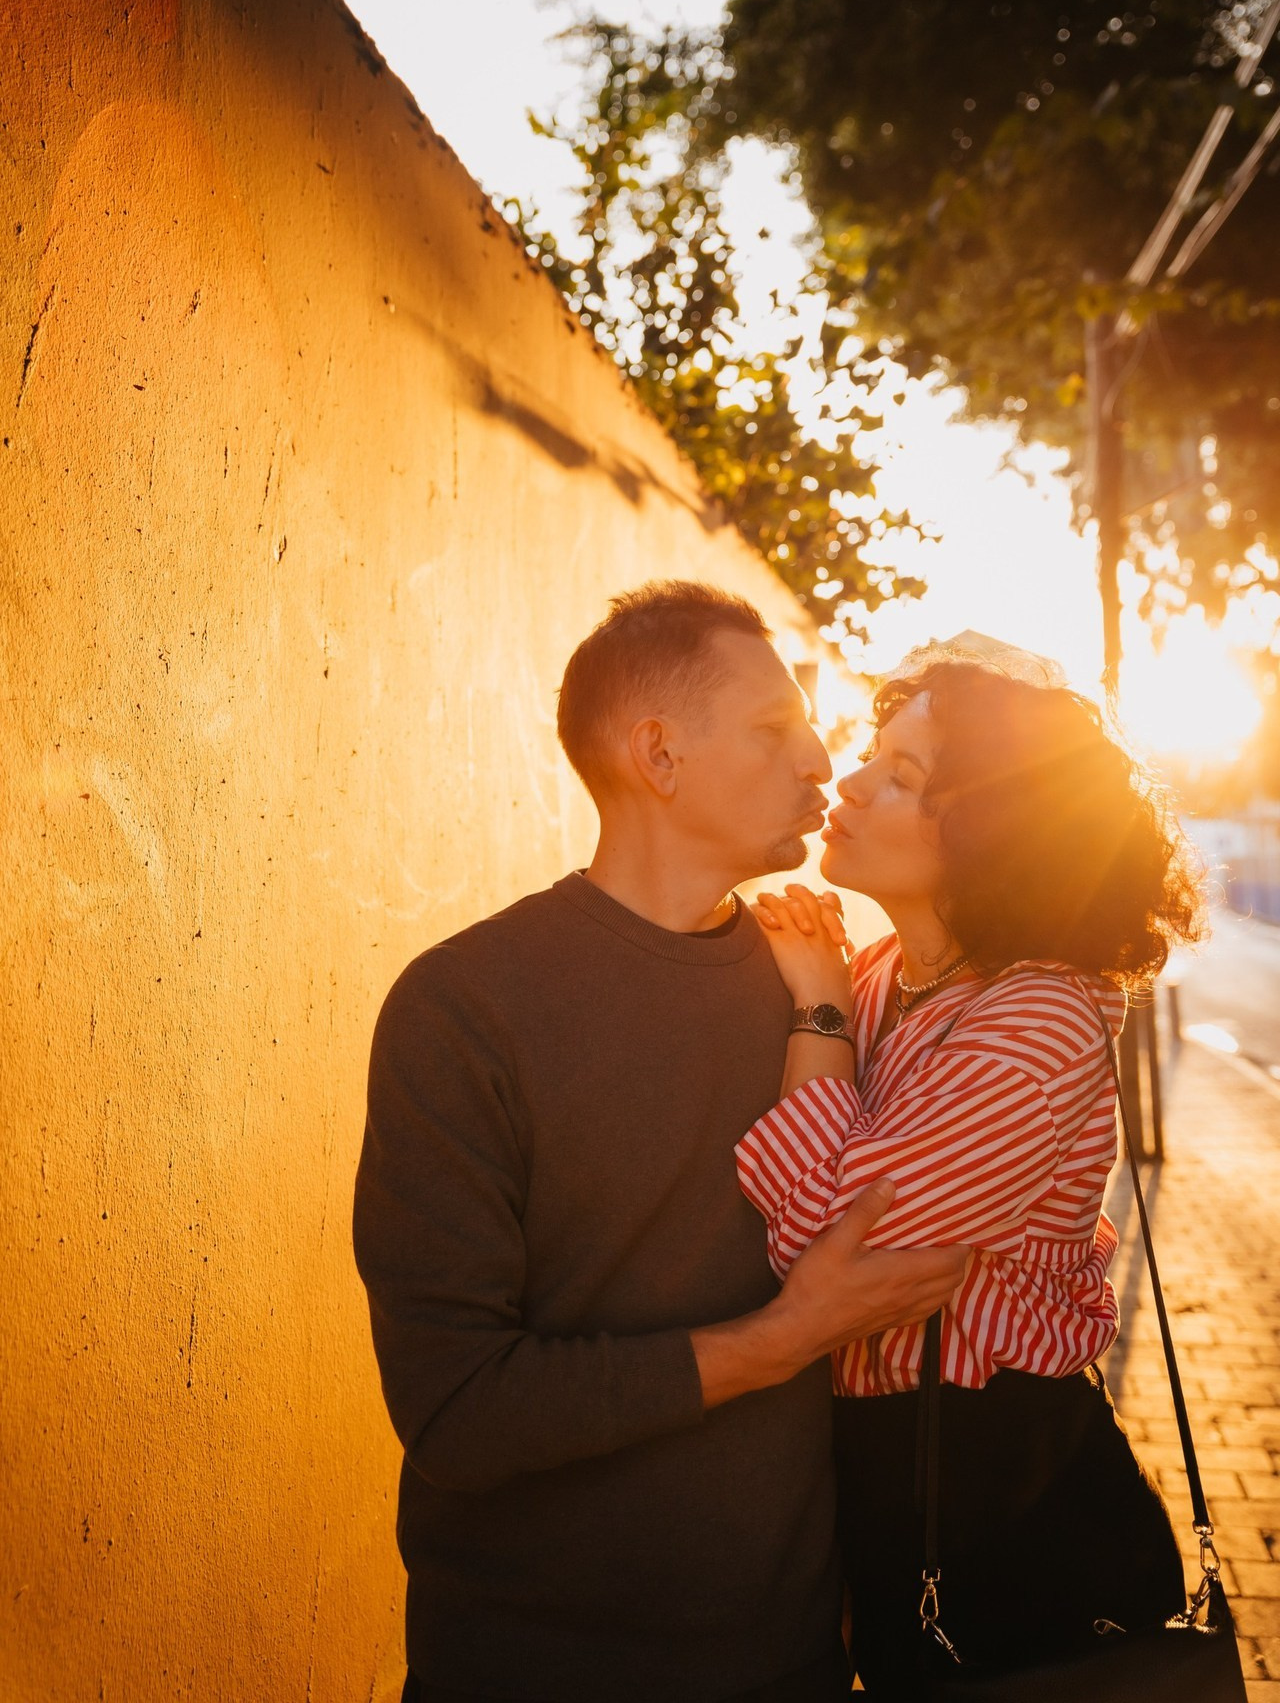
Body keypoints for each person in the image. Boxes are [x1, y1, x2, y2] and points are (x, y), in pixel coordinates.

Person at [352, 581, 966, 1703]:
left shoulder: (832, 993)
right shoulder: (463, 1007)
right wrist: (780, 1339)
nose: (819, 761)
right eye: (775, 729)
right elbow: (456, 1412)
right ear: (658, 755)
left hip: (788, 1665)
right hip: (524, 1667)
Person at [739, 651, 1205, 1698]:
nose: (849, 785)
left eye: (901, 777)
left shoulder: (1034, 1017)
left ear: (989, 831)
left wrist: (809, 1006)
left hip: (1009, 1497)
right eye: (871, 757)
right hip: (892, 1465)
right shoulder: (887, 976)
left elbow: (823, 1250)